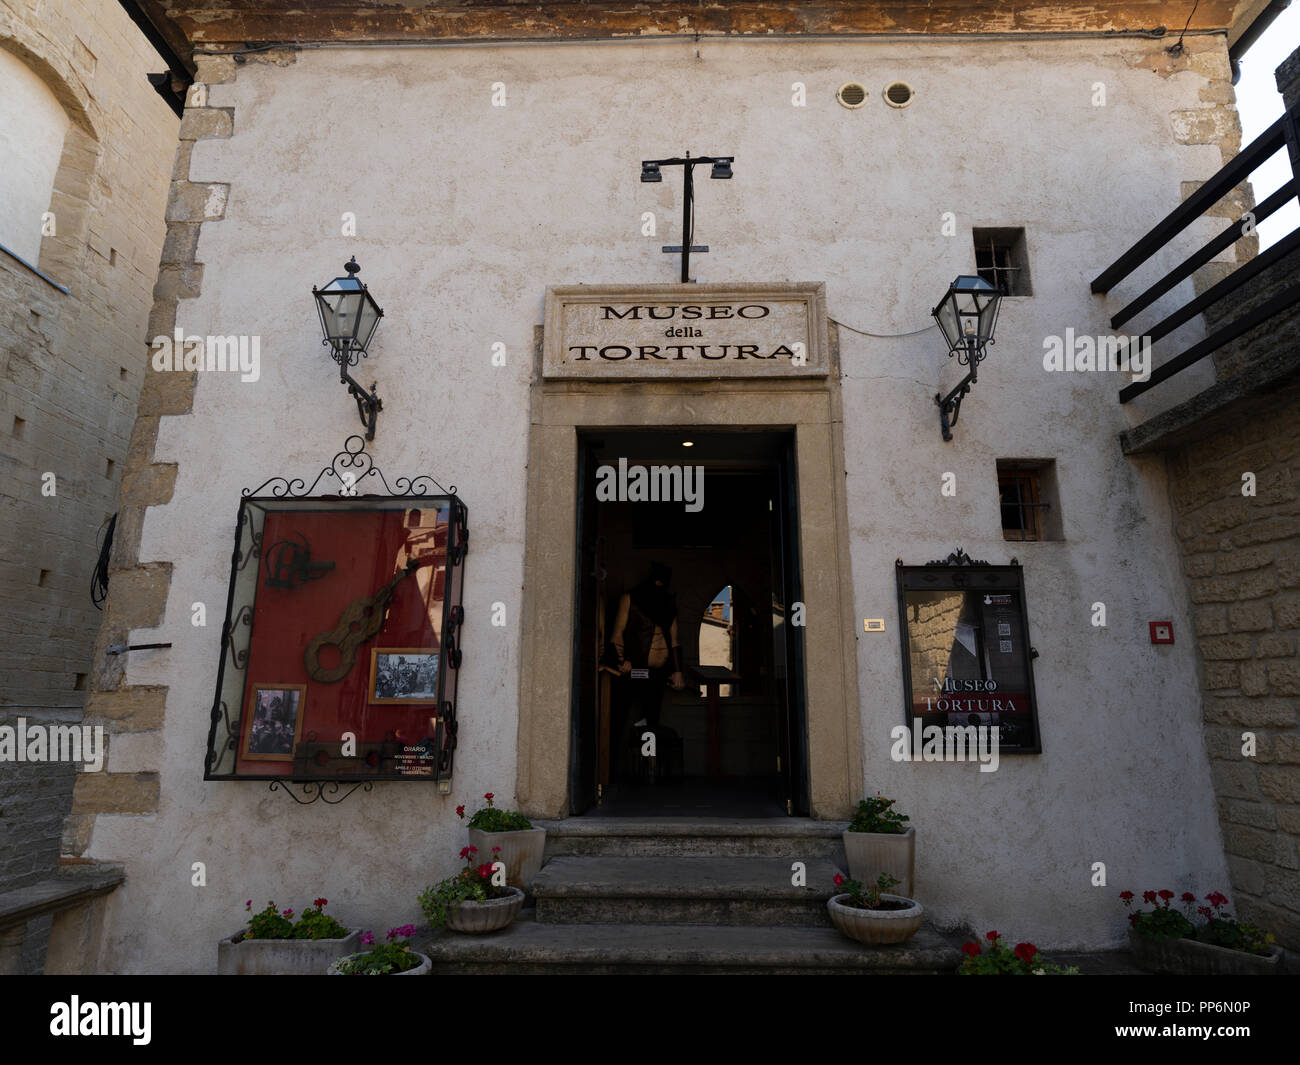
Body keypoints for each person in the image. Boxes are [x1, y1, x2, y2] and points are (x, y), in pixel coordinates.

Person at [608, 562, 685, 782]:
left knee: (652, 721)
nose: (659, 586)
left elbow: (675, 640)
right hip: (632, 670)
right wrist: (621, 661)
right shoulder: (630, 599)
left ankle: (649, 772)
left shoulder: (669, 604)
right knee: (618, 718)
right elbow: (617, 634)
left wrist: (678, 671)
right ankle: (608, 772)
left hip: (658, 673)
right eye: (657, 581)